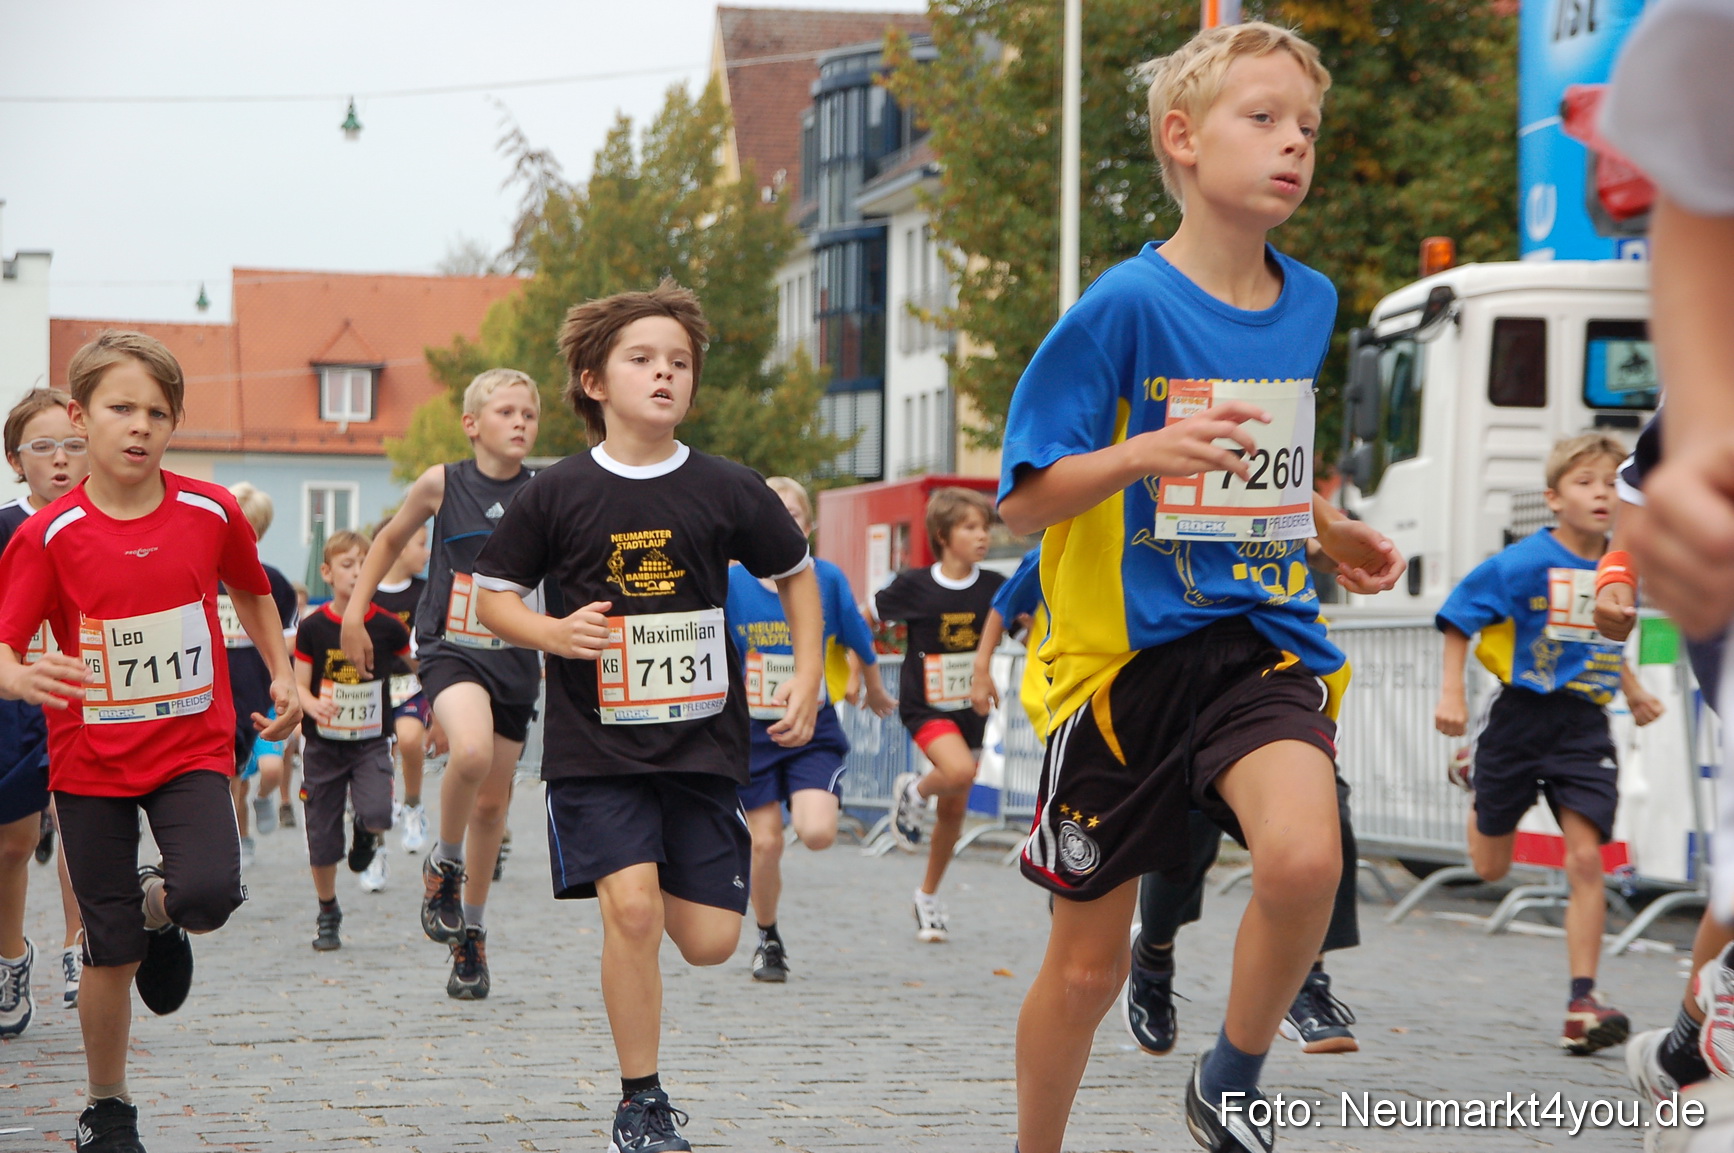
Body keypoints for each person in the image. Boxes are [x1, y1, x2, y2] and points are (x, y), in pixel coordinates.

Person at [995, 24, 1407, 1153]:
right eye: (1263, 119)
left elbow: (1258, 458)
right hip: (1120, 665)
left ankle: (1229, 1077)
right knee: (1082, 970)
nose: (1295, 147)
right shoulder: (1124, 306)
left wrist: (1327, 526)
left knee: (1307, 858)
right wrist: (1139, 455)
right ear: (1182, 139)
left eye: (1309, 129)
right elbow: (1023, 501)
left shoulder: (1311, 301)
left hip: (1258, 639)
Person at [471, 280, 822, 1153]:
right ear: (593, 380)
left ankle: (656, 874)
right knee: (630, 911)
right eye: (642, 359)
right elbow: (491, 599)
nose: (664, 374)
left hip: (701, 745)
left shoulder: (729, 487)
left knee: (707, 940)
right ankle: (641, 1099)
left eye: (679, 362)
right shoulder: (557, 494)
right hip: (595, 748)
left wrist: (809, 674)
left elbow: (799, 573)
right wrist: (554, 630)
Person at [0, 330, 300, 1153]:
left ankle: (159, 907)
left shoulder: (210, 511)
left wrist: (283, 672)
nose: (139, 426)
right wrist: (20, 676)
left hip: (189, 749)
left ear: (175, 424)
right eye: (120, 408)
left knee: (208, 892)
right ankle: (108, 1105)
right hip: (89, 759)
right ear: (79, 415)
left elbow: (251, 590)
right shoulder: (49, 534)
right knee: (107, 947)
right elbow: (6, 640)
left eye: (157, 412)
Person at [1433, 433, 1664, 1055]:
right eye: (1586, 482)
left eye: (1612, 483)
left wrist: (1634, 688)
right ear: (1553, 498)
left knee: (1587, 859)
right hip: (1517, 717)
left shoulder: (1618, 566)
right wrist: (1451, 694)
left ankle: (1582, 1001)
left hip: (1582, 724)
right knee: (1490, 867)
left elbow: (1590, 643)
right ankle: (1476, 777)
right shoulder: (1522, 563)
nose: (1601, 494)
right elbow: (1458, 615)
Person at [343, 368, 542, 999]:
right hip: (449, 647)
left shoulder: (546, 490)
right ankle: (444, 861)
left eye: (529, 415)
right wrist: (355, 611)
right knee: (473, 752)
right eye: (506, 412)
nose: (519, 424)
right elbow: (389, 540)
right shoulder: (442, 482)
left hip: (515, 654)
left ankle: (470, 938)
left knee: (493, 803)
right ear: (472, 423)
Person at [726, 476, 895, 981]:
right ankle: (767, 936)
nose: (782, 524)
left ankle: (767, 921)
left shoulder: (824, 577)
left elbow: (859, 636)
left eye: (793, 515)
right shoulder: (731, 581)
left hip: (810, 728)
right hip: (753, 733)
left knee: (818, 832)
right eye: (772, 514)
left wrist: (876, 688)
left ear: (808, 525)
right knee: (765, 844)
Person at [875, 488, 1005, 943]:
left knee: (954, 808)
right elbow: (869, 617)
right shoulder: (914, 584)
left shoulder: (994, 586)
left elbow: (1026, 630)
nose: (982, 536)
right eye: (970, 527)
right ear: (943, 535)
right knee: (959, 771)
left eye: (985, 528)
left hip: (971, 708)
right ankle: (912, 788)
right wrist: (860, 671)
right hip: (925, 706)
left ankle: (927, 896)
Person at [0, 388, 90, 1029]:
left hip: (91, 694)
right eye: (43, 446)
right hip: (15, 700)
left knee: (90, 827)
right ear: (15, 459)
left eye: (74, 445)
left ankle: (80, 947)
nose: (60, 459)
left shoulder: (106, 521)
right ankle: (10, 958)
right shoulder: (5, 526)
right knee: (14, 842)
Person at [294, 530, 412, 953]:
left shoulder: (384, 624)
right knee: (322, 836)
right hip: (324, 746)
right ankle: (328, 911)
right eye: (347, 564)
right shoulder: (312, 627)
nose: (357, 572)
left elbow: (419, 663)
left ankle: (366, 831)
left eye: (364, 563)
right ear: (326, 573)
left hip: (371, 741)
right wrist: (311, 705)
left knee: (380, 812)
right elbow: (300, 685)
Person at [219, 483, 298, 870]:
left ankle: (268, 796)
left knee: (269, 769)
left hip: (262, 692)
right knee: (232, 778)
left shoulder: (273, 582)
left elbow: (286, 636)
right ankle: (241, 838)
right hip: (220, 697)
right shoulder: (205, 575)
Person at [369, 518, 432, 861]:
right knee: (378, 758)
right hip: (371, 687)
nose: (428, 551)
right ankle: (376, 841)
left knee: (409, 740)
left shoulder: (425, 591)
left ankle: (413, 804)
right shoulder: (369, 591)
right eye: (421, 543)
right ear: (397, 545)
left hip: (412, 684)